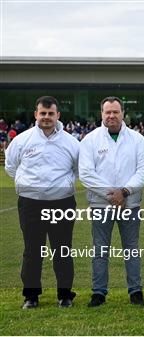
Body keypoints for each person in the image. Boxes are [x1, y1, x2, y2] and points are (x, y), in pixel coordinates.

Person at [5, 96, 80, 309]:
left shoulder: (71, 142)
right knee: (32, 250)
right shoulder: (22, 140)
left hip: (62, 203)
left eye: (50, 114)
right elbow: (11, 166)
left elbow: (77, 170)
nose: (46, 117)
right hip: (31, 204)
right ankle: (31, 296)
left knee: (62, 249)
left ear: (58, 115)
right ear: (36, 115)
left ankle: (65, 295)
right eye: (43, 113)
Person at [79, 96, 144, 307]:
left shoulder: (137, 139)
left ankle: (135, 291)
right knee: (100, 250)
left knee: (131, 249)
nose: (111, 115)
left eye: (115, 112)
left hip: (130, 203)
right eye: (107, 112)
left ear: (123, 113)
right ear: (101, 114)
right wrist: (112, 194)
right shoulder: (90, 140)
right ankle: (99, 292)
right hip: (101, 205)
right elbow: (86, 173)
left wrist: (125, 191)